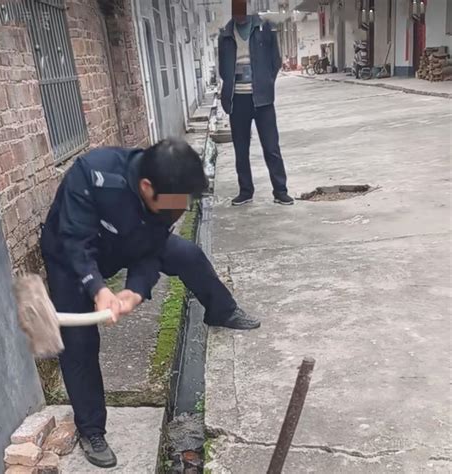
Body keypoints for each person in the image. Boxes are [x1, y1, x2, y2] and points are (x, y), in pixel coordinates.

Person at [40, 138, 260, 468]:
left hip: (127, 241)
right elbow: (75, 244)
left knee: (187, 254)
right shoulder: (91, 174)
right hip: (71, 258)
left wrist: (136, 289)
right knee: (78, 342)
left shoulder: (168, 196)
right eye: (174, 205)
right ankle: (91, 429)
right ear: (146, 186)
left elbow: (152, 247)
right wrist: (99, 290)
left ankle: (221, 310)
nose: (178, 211)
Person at [218, 11, 294, 206]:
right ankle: (245, 191)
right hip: (238, 100)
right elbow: (222, 68)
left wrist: (267, 82)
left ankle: (280, 191)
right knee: (241, 150)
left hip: (262, 99)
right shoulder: (225, 34)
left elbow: (275, 61)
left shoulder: (264, 28)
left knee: (271, 147)